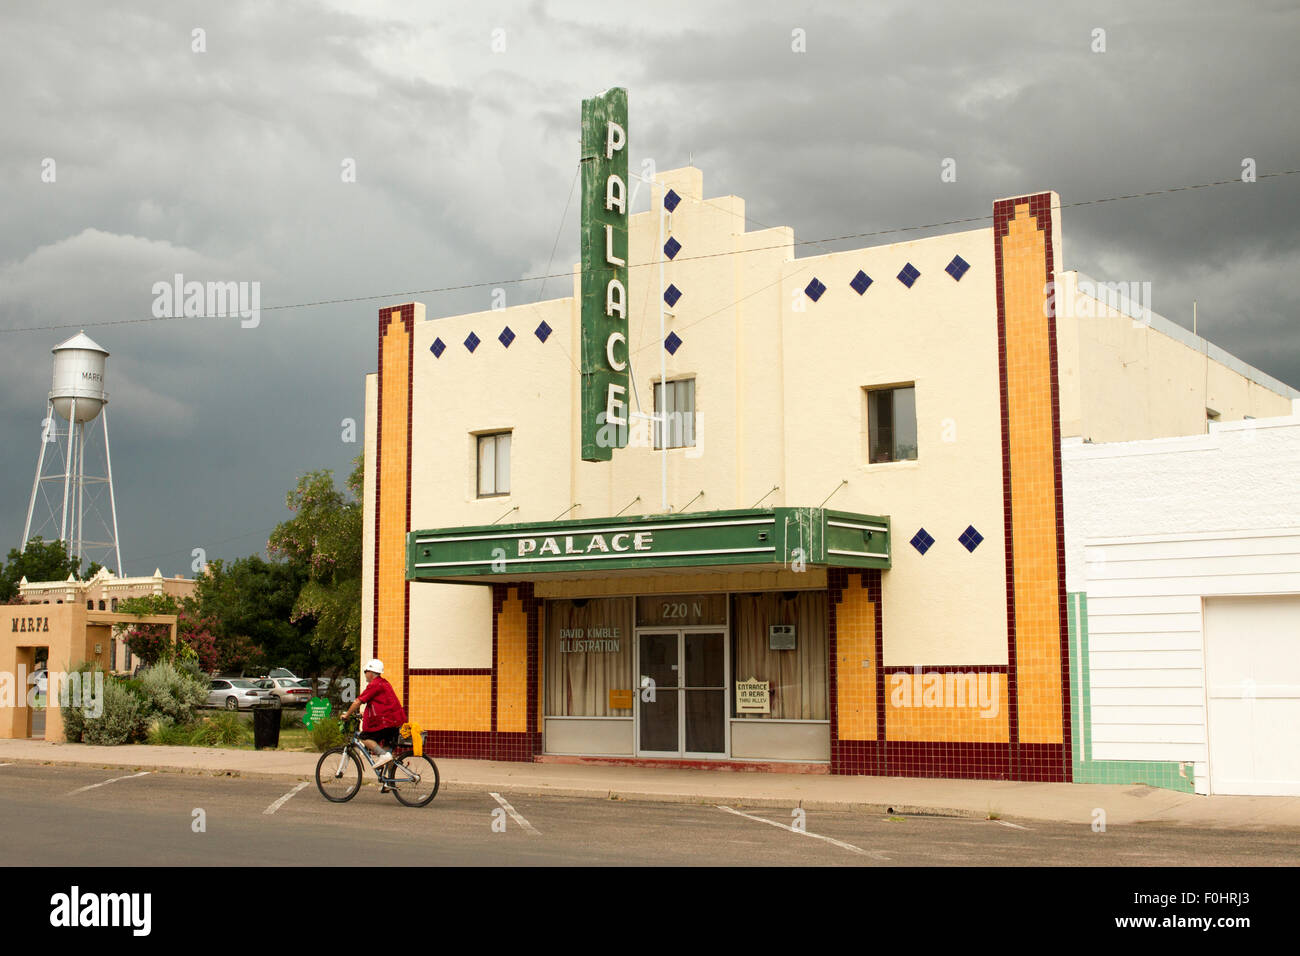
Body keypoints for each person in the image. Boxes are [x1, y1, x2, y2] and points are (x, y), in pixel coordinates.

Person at [338, 659, 408, 790]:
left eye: (366, 671)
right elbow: (380, 704)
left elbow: (358, 701)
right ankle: (388, 782)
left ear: (371, 672)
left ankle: (383, 756)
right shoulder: (384, 683)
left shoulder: (374, 685)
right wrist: (363, 714)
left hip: (387, 722)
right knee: (387, 750)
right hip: (394, 722)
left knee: (364, 737)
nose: (365, 674)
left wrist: (346, 715)